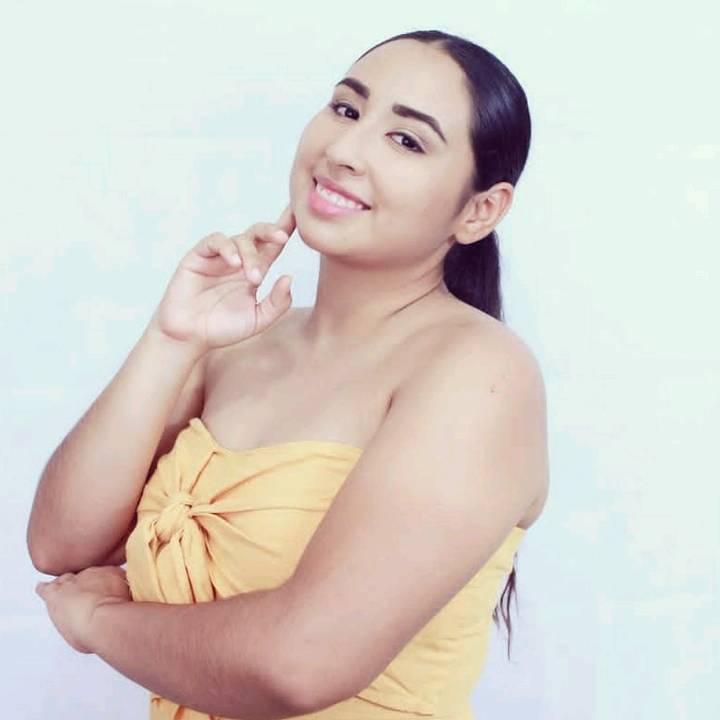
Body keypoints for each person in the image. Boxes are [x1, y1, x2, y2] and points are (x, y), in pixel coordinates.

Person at [29, 29, 549, 719]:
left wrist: (98, 622)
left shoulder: (480, 376)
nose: (346, 150)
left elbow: (299, 664)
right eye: (346, 109)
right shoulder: (236, 348)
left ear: (480, 210)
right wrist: (170, 339)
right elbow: (60, 544)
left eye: (406, 140)